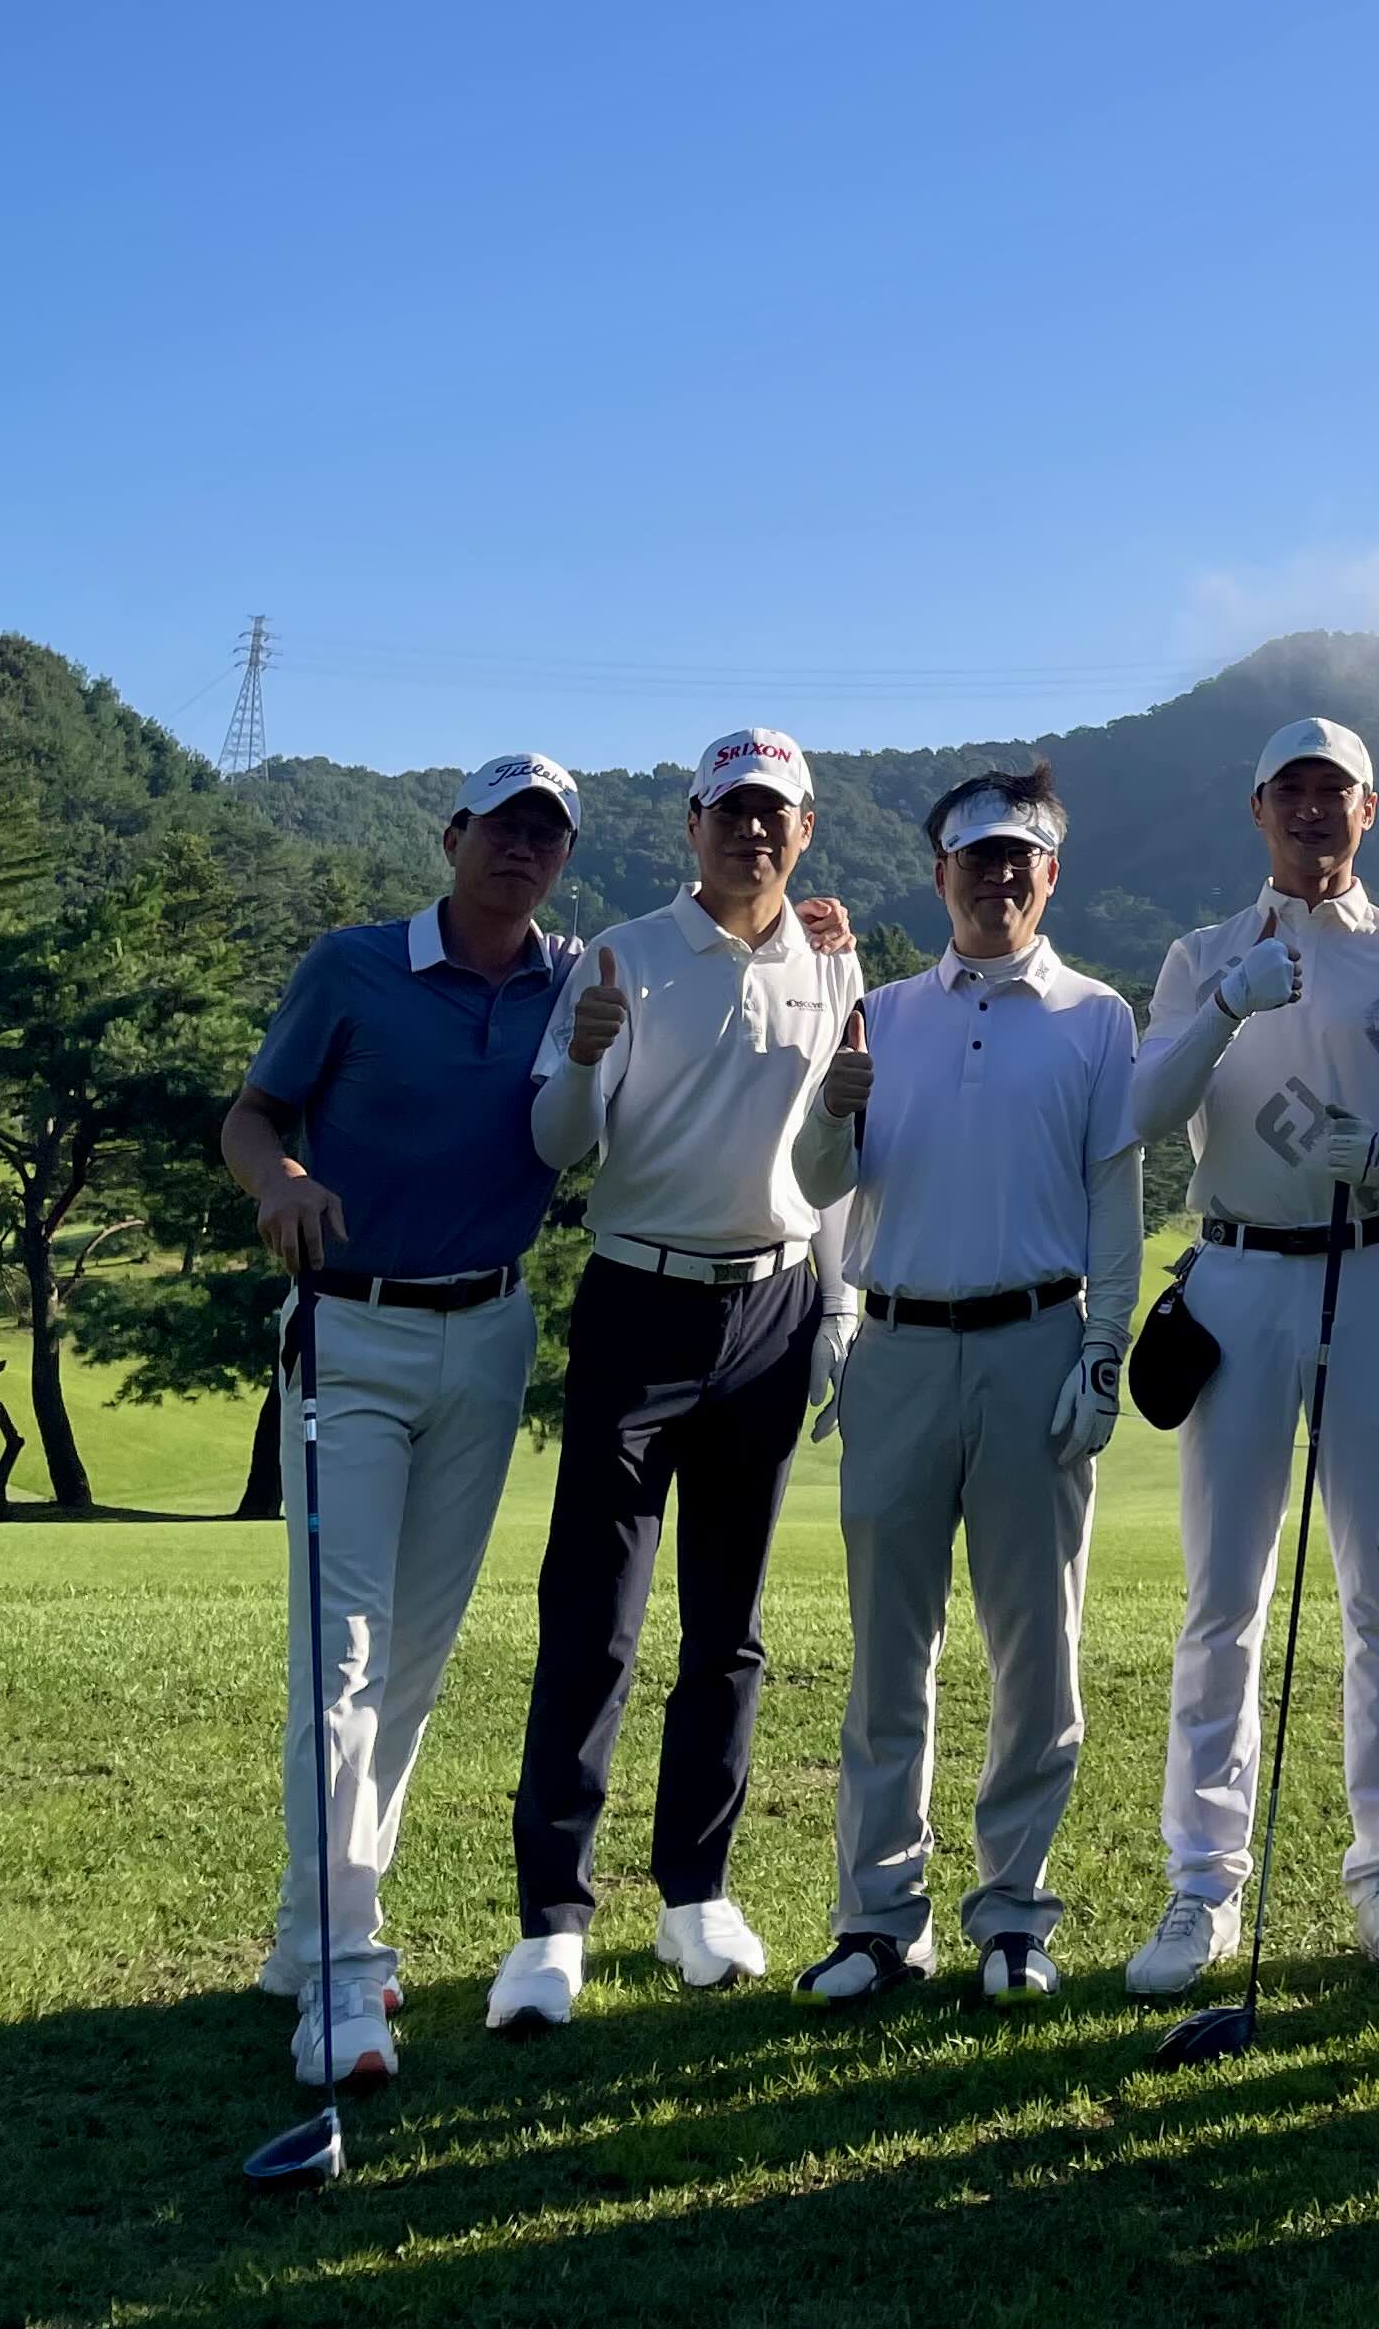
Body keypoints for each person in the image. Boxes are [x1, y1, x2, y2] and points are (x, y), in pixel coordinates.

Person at [219, 755, 590, 2092]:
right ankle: (340, 1966)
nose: (521, 849)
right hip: (351, 1327)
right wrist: (280, 1181)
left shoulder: (573, 981)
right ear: (453, 836)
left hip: (489, 1335)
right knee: (343, 1656)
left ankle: (310, 1927)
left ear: (561, 859)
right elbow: (252, 1115)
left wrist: (816, 934)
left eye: (545, 834)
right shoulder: (354, 966)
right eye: (501, 826)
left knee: (413, 1662)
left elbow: (708, 980)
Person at [490, 725, 861, 2032]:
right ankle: (553, 1919)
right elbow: (558, 1140)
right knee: (594, 1617)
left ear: (802, 832)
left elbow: (836, 1157)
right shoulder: (624, 955)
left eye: (774, 814)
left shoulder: (831, 957)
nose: (752, 831)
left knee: (728, 1625)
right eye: (731, 811)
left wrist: (838, 1304)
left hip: (774, 1304)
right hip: (638, 1302)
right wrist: (589, 1055)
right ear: (691, 826)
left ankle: (695, 1894)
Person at [1123, 716, 1379, 2001]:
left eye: (1335, 792)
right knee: (1224, 1593)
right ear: (1258, 808)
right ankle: (1203, 1881)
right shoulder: (1201, 955)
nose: (1312, 810)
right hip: (1235, 1271)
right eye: (1290, 790)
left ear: (1367, 811)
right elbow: (1149, 1107)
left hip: (1373, 1267)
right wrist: (1229, 1005)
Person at [789, 767, 1140, 2005]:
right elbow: (820, 1182)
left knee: (1036, 1649)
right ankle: (879, 1919)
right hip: (897, 1347)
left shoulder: (1097, 1017)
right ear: (940, 874)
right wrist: (832, 1113)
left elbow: (1111, 1198)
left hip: (1035, 1340)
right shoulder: (879, 1012)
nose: (997, 877)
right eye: (975, 858)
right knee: (890, 1652)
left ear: (1050, 876)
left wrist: (1106, 1349)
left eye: (1017, 859)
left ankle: (1014, 1916)